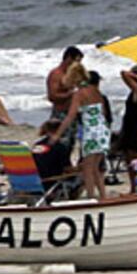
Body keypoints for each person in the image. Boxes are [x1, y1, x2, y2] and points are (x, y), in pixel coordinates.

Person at [50, 67, 111, 199]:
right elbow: (104, 113)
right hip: (103, 131)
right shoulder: (96, 91)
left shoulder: (79, 94)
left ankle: (90, 197)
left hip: (91, 132)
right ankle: (103, 196)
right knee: (96, 168)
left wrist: (57, 134)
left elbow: (70, 117)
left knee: (87, 169)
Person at [47, 47, 84, 147]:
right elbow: (52, 96)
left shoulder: (73, 74)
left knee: (72, 142)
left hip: (73, 113)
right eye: (76, 61)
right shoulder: (56, 74)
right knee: (60, 143)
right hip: (60, 113)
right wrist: (70, 94)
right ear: (68, 58)